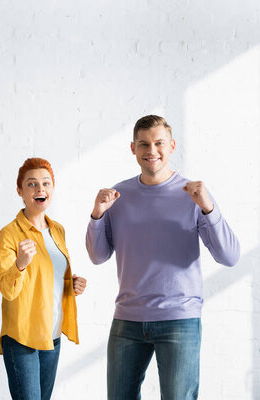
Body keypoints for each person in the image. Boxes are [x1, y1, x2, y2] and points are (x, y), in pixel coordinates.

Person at [85, 115, 240, 400]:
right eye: (143, 144)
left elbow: (229, 257)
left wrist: (208, 208)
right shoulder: (118, 196)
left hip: (179, 319)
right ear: (133, 148)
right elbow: (98, 256)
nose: (151, 150)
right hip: (127, 320)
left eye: (159, 143)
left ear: (172, 146)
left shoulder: (193, 195)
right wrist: (97, 214)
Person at [0, 157, 87, 400]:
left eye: (46, 184)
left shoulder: (58, 230)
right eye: (32, 184)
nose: (40, 189)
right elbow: (7, 289)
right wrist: (20, 264)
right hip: (22, 337)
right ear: (20, 191)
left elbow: (50, 277)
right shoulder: (9, 234)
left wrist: (72, 284)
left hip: (53, 335)